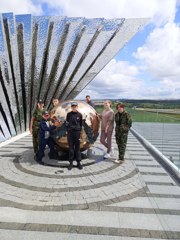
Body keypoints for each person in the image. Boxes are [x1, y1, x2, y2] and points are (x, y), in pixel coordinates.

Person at [66, 102, 83, 170]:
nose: (74, 107)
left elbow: (81, 124)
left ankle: (78, 162)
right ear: (71, 107)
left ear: (77, 107)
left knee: (77, 148)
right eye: (73, 106)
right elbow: (67, 123)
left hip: (77, 133)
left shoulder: (80, 114)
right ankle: (71, 162)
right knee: (71, 148)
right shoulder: (68, 114)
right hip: (70, 133)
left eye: (75, 106)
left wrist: (79, 131)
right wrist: (68, 130)